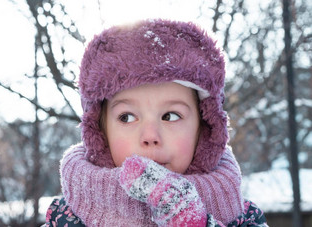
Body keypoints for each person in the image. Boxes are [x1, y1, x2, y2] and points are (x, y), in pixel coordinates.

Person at [45, 19, 268, 226]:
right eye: (127, 117)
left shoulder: (241, 217)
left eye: (170, 116)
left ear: (204, 129)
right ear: (101, 133)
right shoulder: (66, 218)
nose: (150, 136)